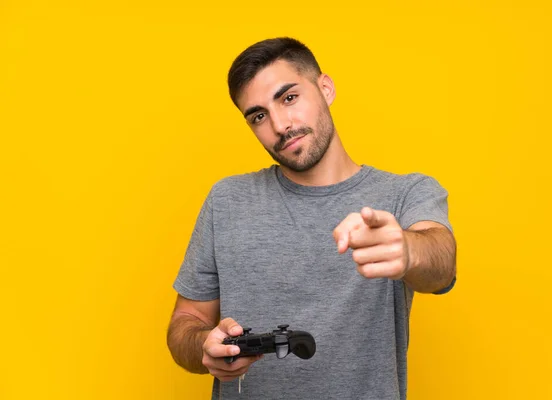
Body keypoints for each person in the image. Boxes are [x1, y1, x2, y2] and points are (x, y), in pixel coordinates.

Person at [166, 37, 457, 399]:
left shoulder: (404, 194)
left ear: (325, 88)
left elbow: (442, 262)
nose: (280, 125)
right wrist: (205, 347)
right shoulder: (226, 200)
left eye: (289, 98)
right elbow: (185, 324)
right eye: (258, 115)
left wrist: (409, 250)